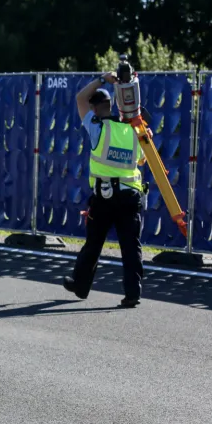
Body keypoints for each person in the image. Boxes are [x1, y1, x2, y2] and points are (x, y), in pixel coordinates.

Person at [62, 72, 148, 308]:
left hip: (104, 196)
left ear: (94, 108)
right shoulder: (133, 130)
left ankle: (80, 285)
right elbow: (142, 160)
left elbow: (80, 98)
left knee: (94, 243)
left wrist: (102, 79)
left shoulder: (98, 128)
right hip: (130, 196)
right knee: (131, 246)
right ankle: (133, 293)